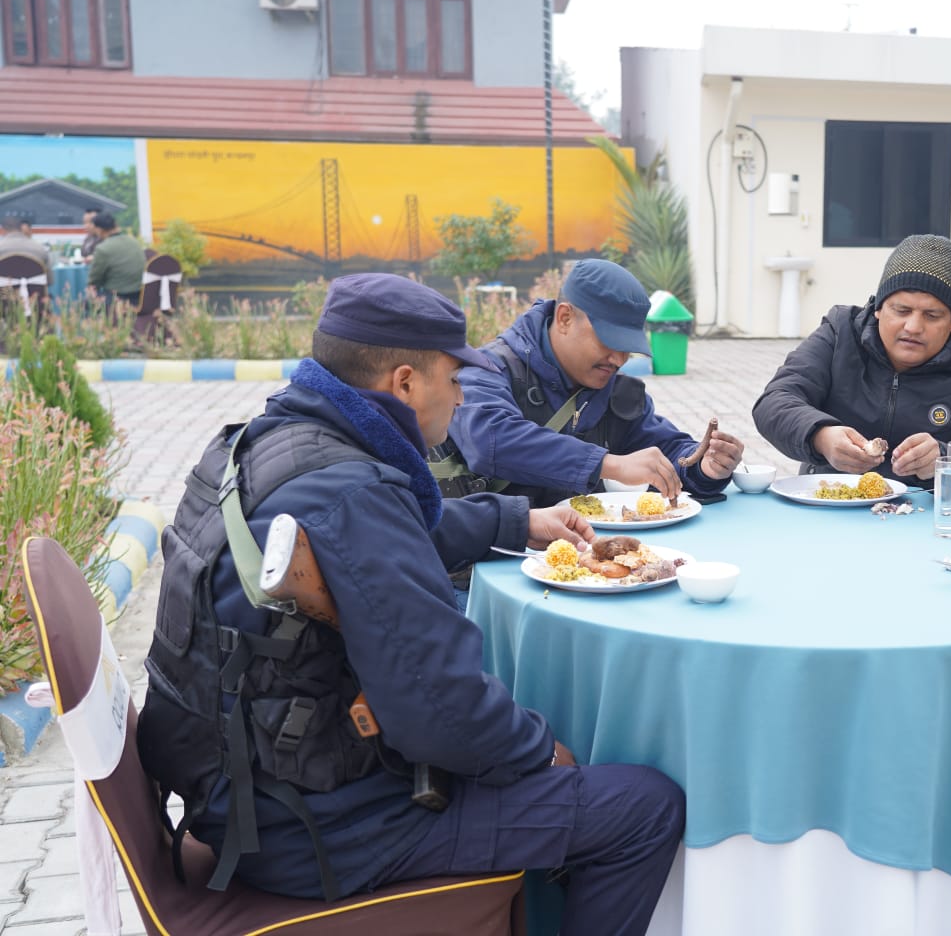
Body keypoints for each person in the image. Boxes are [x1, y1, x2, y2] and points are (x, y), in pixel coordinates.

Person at [137, 274, 685, 935]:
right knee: (643, 806)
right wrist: (542, 751)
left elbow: (378, 536)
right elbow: (442, 716)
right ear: (404, 384)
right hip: (321, 829)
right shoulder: (354, 494)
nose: (461, 396)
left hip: (239, 792)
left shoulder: (262, 444)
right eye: (453, 379)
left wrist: (518, 521)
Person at [437, 258, 745, 507]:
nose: (619, 359)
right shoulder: (487, 369)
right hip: (489, 556)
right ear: (565, 318)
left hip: (587, 555)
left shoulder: (615, 390)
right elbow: (490, 440)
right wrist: (609, 464)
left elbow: (666, 451)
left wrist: (704, 466)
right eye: (610, 341)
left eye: (628, 347)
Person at [752, 233, 951, 497]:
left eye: (932, 315)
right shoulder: (839, 333)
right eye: (901, 311)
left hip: (926, 515)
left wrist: (944, 460)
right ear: (879, 308)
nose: (913, 327)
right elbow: (775, 401)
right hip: (830, 504)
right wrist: (820, 437)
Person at [86, 212, 145, 305]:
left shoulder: (103, 249)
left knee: (86, 303)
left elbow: (94, 282)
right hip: (140, 296)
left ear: (99, 230)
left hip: (117, 298)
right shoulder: (133, 241)